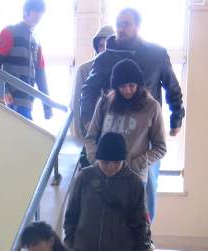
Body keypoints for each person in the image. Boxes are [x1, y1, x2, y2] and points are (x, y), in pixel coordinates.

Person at [79, 7, 185, 221]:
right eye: (118, 24)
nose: (121, 28)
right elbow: (88, 89)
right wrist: (89, 119)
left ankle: (144, 237)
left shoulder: (156, 54)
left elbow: (172, 87)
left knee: (147, 186)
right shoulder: (104, 58)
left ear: (137, 25)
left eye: (126, 23)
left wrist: (176, 117)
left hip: (144, 135)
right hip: (112, 132)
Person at [0, 0, 53, 121]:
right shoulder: (9, 32)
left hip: (28, 103)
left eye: (41, 12)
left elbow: (41, 75)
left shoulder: (37, 42)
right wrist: (4, 91)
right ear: (26, 11)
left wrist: (47, 107)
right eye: (36, 11)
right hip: (10, 101)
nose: (39, 15)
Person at [71, 25, 115, 141]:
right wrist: (79, 133)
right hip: (91, 129)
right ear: (96, 46)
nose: (104, 49)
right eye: (101, 45)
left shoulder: (122, 68)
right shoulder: (84, 69)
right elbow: (76, 103)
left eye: (108, 45)